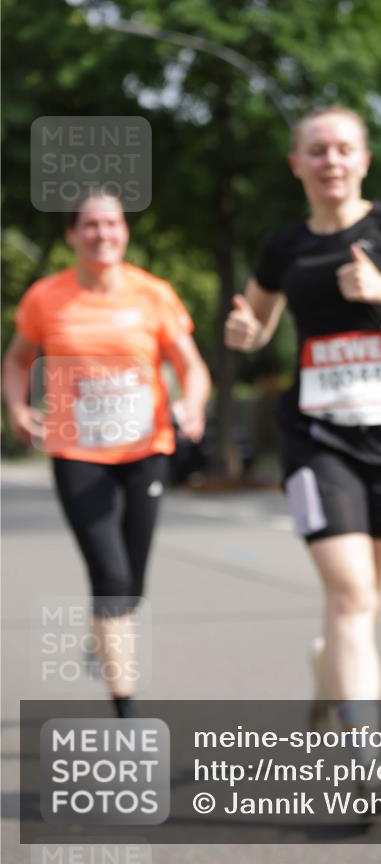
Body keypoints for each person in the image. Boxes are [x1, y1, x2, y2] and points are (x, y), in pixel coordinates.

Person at [224, 107, 381, 752]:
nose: (330, 160)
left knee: (365, 600)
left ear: (363, 159)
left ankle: (327, 664)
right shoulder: (283, 247)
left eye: (342, 148)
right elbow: (258, 323)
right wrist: (246, 332)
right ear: (296, 164)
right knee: (352, 592)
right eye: (316, 150)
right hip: (315, 439)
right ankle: (365, 754)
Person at [3, 194, 210, 717]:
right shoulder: (45, 298)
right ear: (72, 235)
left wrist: (193, 404)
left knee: (131, 585)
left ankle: (104, 633)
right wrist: (17, 407)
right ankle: (127, 715)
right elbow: (17, 360)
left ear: (125, 231)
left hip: (146, 451)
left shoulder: (153, 294)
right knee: (111, 577)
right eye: (90, 225)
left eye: (112, 223)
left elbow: (191, 366)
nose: (102, 234)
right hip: (78, 453)